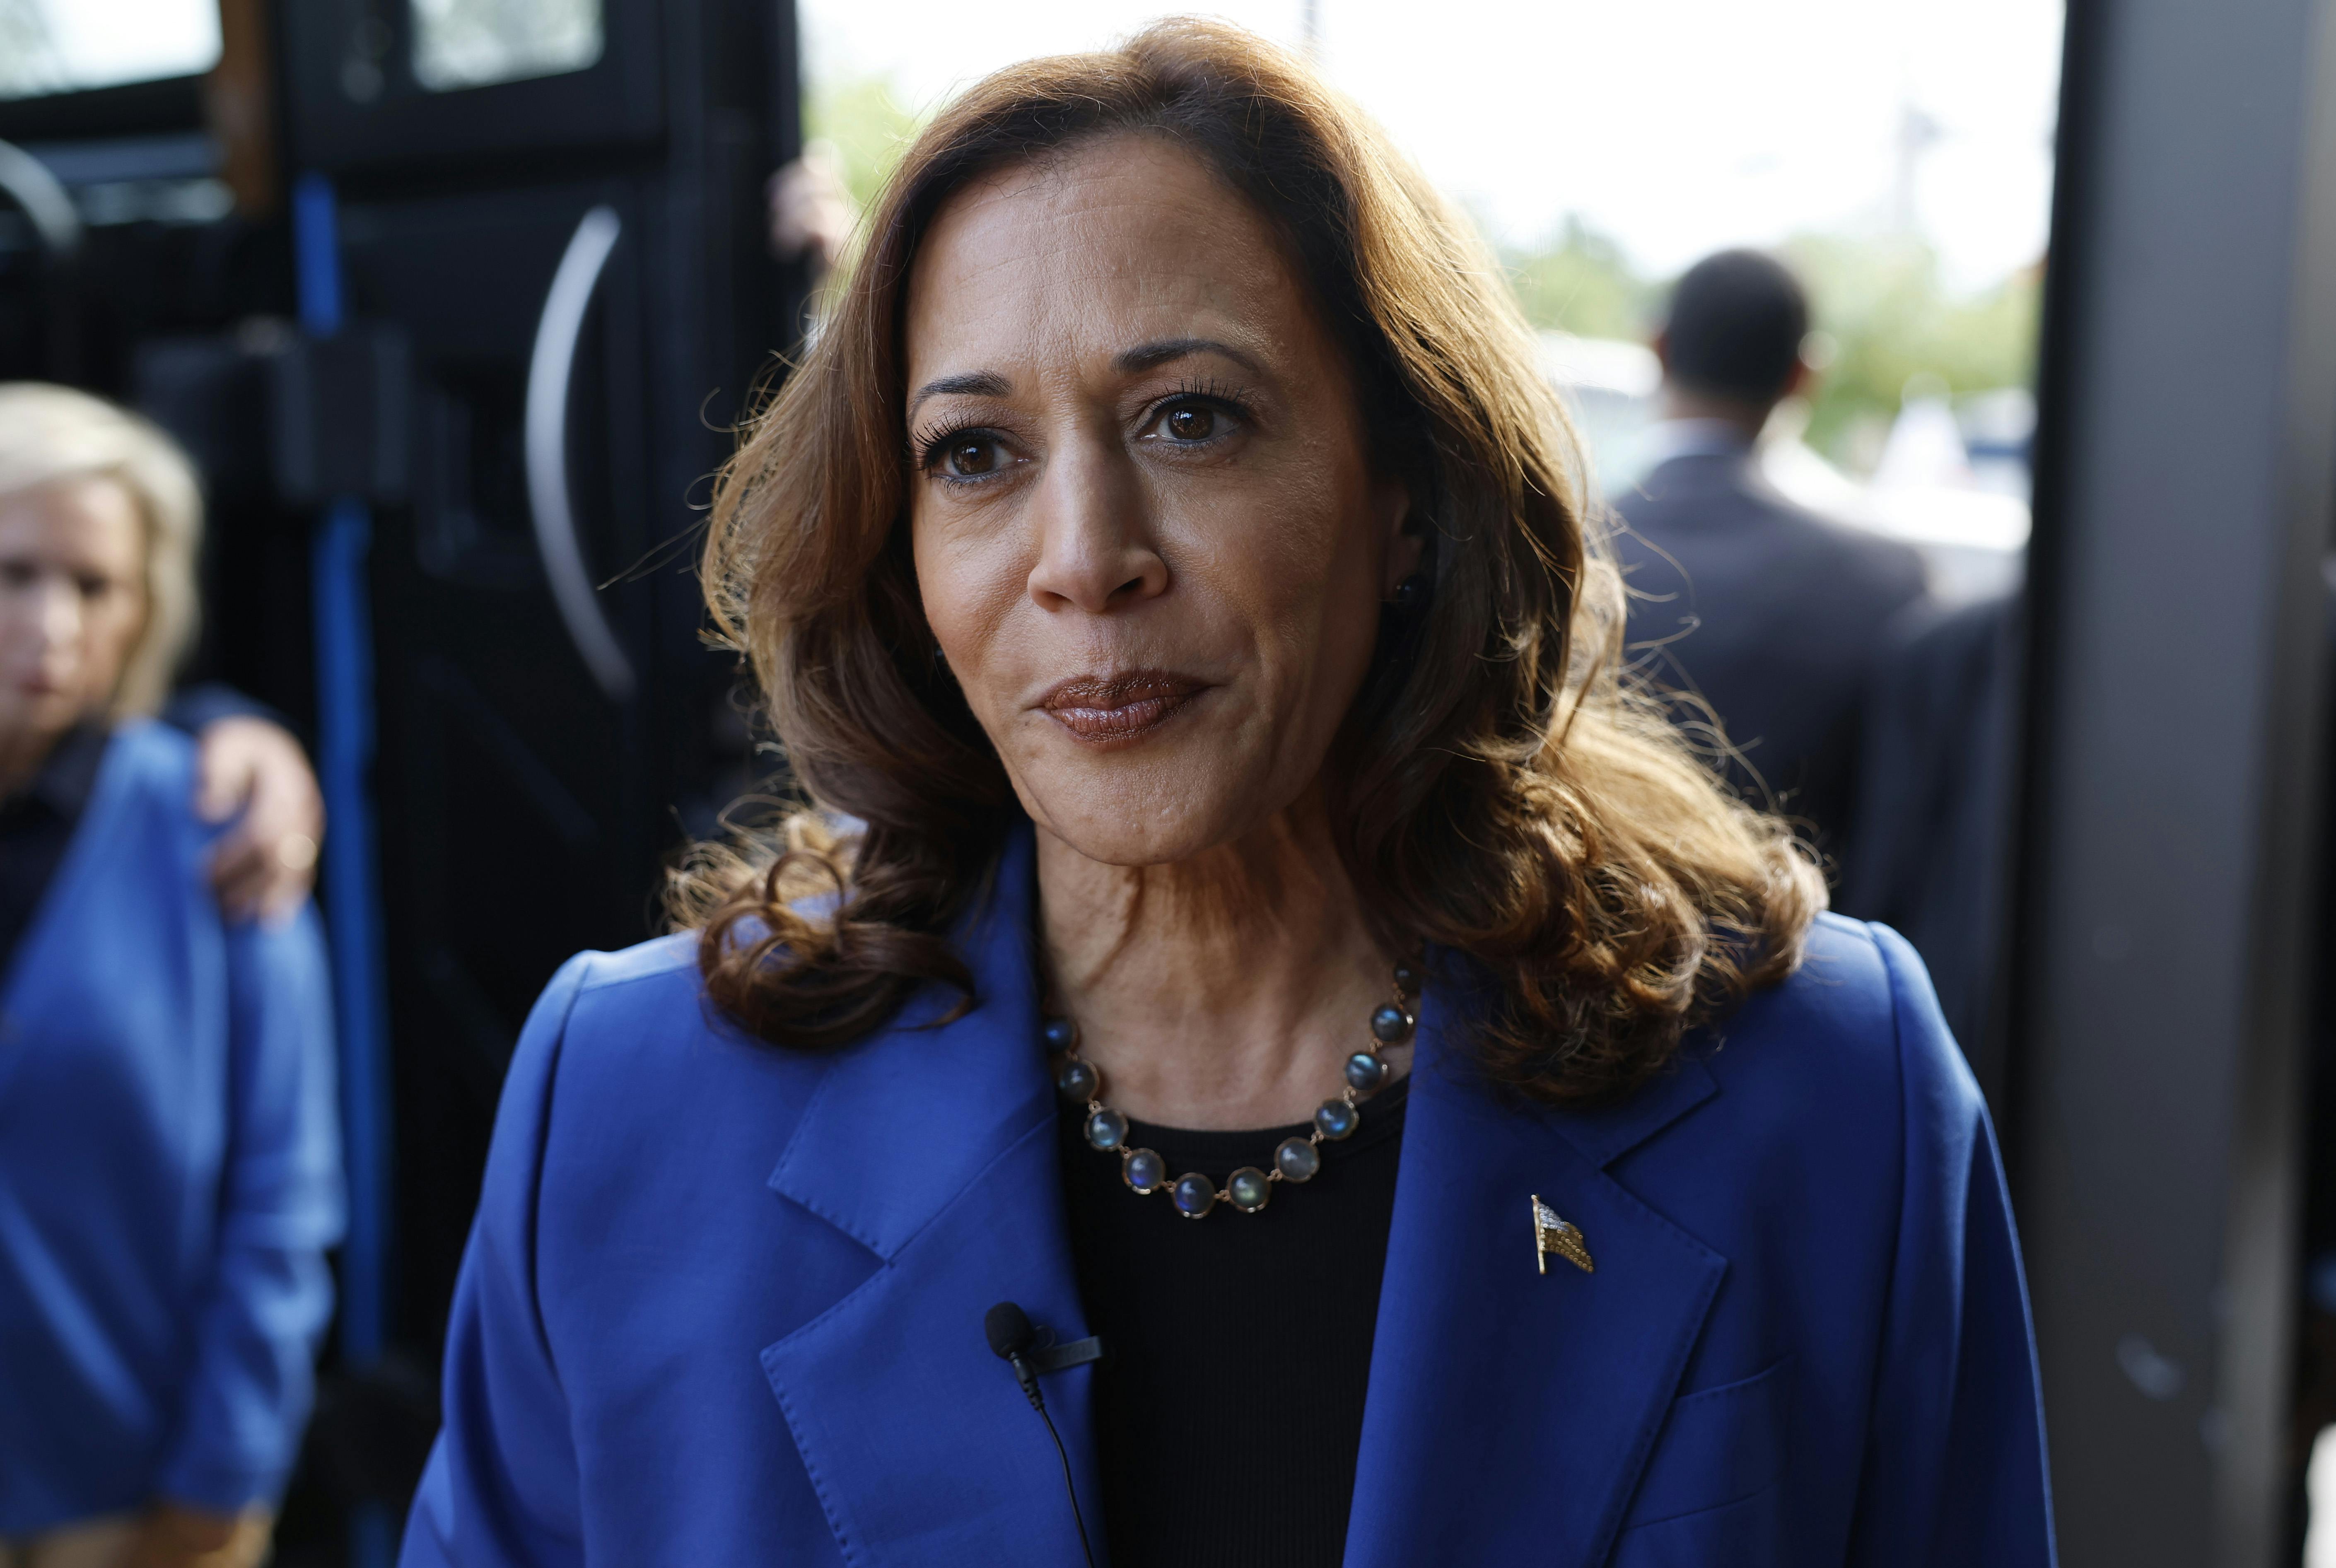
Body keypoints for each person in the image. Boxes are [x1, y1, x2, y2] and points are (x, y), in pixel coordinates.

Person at [402, 23, 2051, 1566]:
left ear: (1409, 494)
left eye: (1192, 420)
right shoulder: (625, 1107)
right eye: (975, 453)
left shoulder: (1819, 1085)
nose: (1083, 559)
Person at [0, 385, 342, 1568]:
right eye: (13, 573)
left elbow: (283, 1203)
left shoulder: (222, 830)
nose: (49, 626)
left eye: (92, 587)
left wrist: (224, 1485)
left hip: (130, 1513)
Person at [1614, 249, 1927, 867]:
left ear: (1658, 347)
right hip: (1801, 953)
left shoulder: (1551, 551)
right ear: (1803, 375)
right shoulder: (1884, 583)